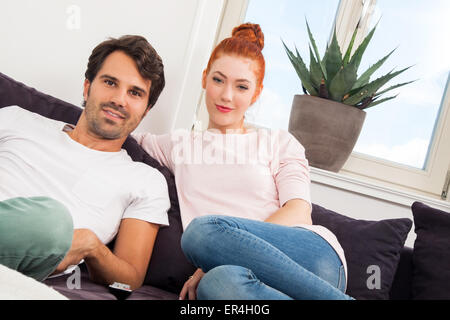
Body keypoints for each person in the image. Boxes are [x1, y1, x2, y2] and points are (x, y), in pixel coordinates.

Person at [133, 23, 353, 300]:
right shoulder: (178, 145)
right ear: (204, 78)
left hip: (313, 261)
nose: (227, 95)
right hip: (246, 280)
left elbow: (298, 211)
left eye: (241, 86)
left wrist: (221, 252)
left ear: (256, 93)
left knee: (200, 233)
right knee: (218, 284)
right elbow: (116, 131)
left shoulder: (277, 143)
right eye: (218, 80)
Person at [0, 35, 170, 290]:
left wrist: (92, 246)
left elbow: (129, 280)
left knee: (54, 222)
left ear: (146, 110)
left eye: (135, 93)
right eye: (110, 82)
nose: (119, 99)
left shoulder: (145, 180)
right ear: (87, 87)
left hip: (27, 254)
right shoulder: (15, 119)